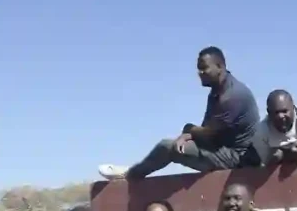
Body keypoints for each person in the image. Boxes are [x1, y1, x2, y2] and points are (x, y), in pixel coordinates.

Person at [98, 47, 259, 180]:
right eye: (198, 69)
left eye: (204, 68)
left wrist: (188, 129)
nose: (200, 73)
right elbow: (205, 130)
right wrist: (189, 135)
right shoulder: (216, 91)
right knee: (176, 144)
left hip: (237, 159)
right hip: (221, 149)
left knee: (168, 147)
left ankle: (129, 176)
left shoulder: (232, 96)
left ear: (220, 66)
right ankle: (135, 171)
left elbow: (207, 135)